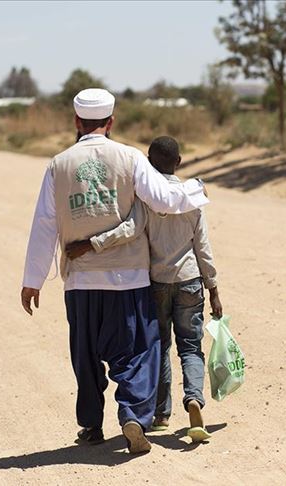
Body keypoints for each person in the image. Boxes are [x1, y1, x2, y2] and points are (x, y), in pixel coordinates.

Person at [20, 88, 209, 454]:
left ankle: (91, 426)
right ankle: (134, 416)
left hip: (80, 281)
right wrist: (197, 189)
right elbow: (165, 201)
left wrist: (32, 281)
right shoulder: (130, 158)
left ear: (77, 122)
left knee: (86, 356)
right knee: (137, 351)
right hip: (129, 280)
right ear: (111, 122)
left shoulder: (58, 165)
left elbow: (44, 224)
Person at [65, 136, 222, 443]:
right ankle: (193, 401)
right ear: (179, 162)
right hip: (190, 280)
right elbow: (203, 247)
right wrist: (213, 287)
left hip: (157, 283)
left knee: (160, 347)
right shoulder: (192, 196)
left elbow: (129, 230)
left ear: (149, 162)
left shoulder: (146, 197)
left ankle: (160, 415)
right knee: (191, 347)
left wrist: (91, 244)